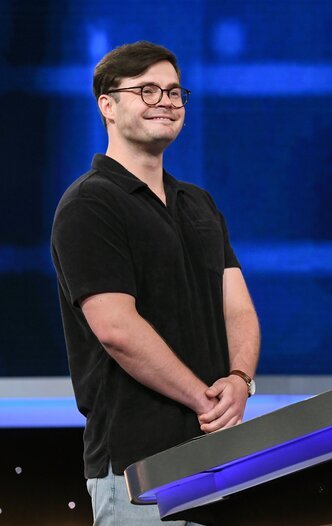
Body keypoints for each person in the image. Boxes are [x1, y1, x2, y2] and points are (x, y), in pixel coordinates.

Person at [50, 41, 260, 525]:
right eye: (146, 90)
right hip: (136, 468)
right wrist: (204, 399)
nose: (166, 101)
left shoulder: (198, 204)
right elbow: (116, 329)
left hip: (217, 459)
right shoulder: (90, 204)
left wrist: (239, 380)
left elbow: (238, 309)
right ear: (107, 105)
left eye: (173, 91)